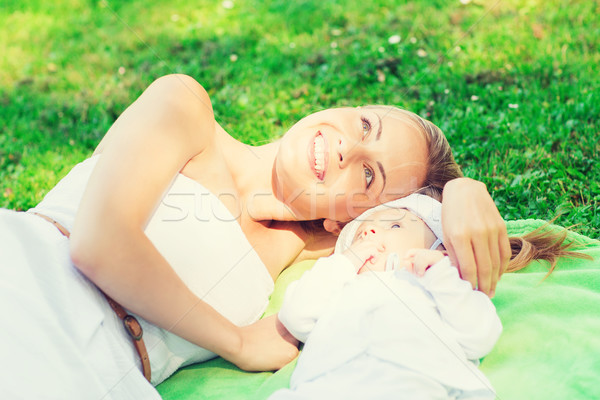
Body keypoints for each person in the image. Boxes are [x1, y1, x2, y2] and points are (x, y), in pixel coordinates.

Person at [0, 74, 507, 398]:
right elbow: (99, 244)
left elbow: (443, 251)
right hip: (26, 290)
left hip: (107, 377)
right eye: (364, 124)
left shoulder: (324, 248)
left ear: (352, 220)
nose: (345, 148)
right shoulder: (187, 110)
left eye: (369, 175)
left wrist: (462, 190)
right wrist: (239, 343)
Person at [270, 193, 582, 400]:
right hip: (328, 387)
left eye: (393, 225)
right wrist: (343, 263)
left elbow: (480, 335)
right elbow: (296, 316)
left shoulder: (437, 286)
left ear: (441, 248)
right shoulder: (336, 287)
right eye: (362, 234)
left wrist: (442, 276)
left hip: (419, 383)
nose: (371, 235)